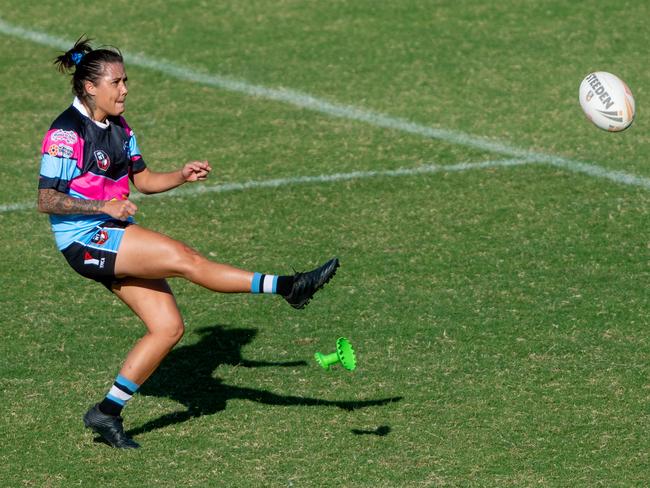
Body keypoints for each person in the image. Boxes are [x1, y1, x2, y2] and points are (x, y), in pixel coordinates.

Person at [37, 36, 339, 449]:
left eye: (126, 80)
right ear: (90, 87)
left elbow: (143, 181)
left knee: (168, 328)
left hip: (108, 233)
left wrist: (180, 175)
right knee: (183, 257)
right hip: (85, 239)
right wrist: (103, 206)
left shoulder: (121, 128)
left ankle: (106, 413)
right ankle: (289, 287)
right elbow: (46, 199)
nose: (125, 89)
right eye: (117, 82)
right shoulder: (65, 133)